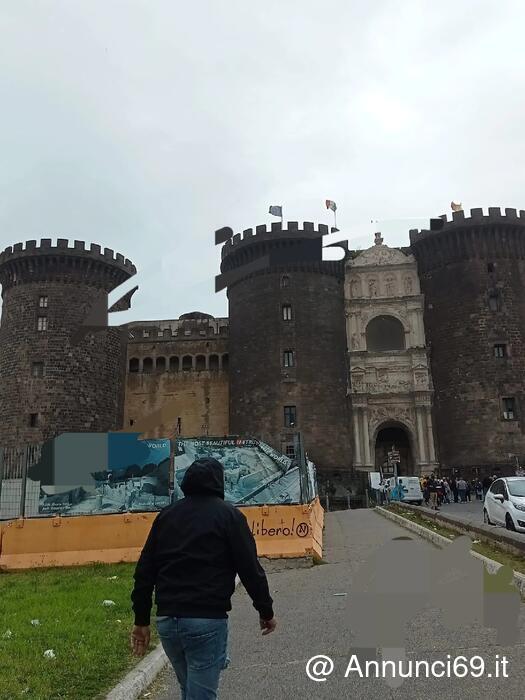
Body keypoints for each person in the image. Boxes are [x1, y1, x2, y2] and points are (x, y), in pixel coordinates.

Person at [130, 458, 276, 699]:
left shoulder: (166, 516)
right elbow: (250, 569)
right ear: (219, 482)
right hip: (205, 619)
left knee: (190, 690)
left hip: (168, 621)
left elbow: (145, 571)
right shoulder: (229, 516)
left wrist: (141, 620)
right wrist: (265, 611)